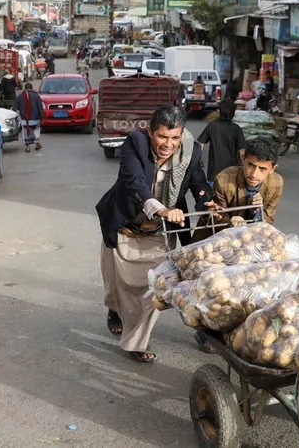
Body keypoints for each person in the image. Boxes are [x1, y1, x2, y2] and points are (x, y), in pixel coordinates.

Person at [96, 106, 217, 363]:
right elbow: (134, 181)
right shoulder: (135, 142)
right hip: (124, 225)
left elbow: (197, 181)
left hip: (159, 233)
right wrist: (161, 209)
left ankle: (135, 343)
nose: (168, 144)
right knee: (118, 285)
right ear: (150, 131)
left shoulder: (191, 150)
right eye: (162, 137)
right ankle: (114, 310)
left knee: (154, 290)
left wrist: (206, 201)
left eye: (175, 138)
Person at [192, 137, 285, 352]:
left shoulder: (277, 183)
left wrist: (257, 213)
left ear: (272, 168)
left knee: (251, 287)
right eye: (251, 165)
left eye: (262, 168)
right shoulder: (224, 179)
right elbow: (215, 215)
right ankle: (207, 329)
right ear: (243, 159)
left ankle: (239, 330)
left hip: (252, 242)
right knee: (216, 288)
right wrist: (229, 221)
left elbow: (268, 221)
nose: (254, 173)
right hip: (217, 239)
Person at [197, 98, 247, 185]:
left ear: (219, 111)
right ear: (233, 113)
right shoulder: (236, 128)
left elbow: (200, 144)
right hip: (231, 173)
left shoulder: (212, 125)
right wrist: (244, 167)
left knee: (213, 196)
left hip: (213, 173)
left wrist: (198, 159)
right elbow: (241, 152)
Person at [16, 83, 44, 153]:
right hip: (35, 118)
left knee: (25, 132)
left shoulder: (20, 96)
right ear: (31, 88)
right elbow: (40, 107)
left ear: (25, 88)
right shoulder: (36, 96)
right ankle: (37, 144)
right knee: (36, 131)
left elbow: (17, 108)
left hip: (24, 119)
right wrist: (42, 117)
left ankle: (27, 147)